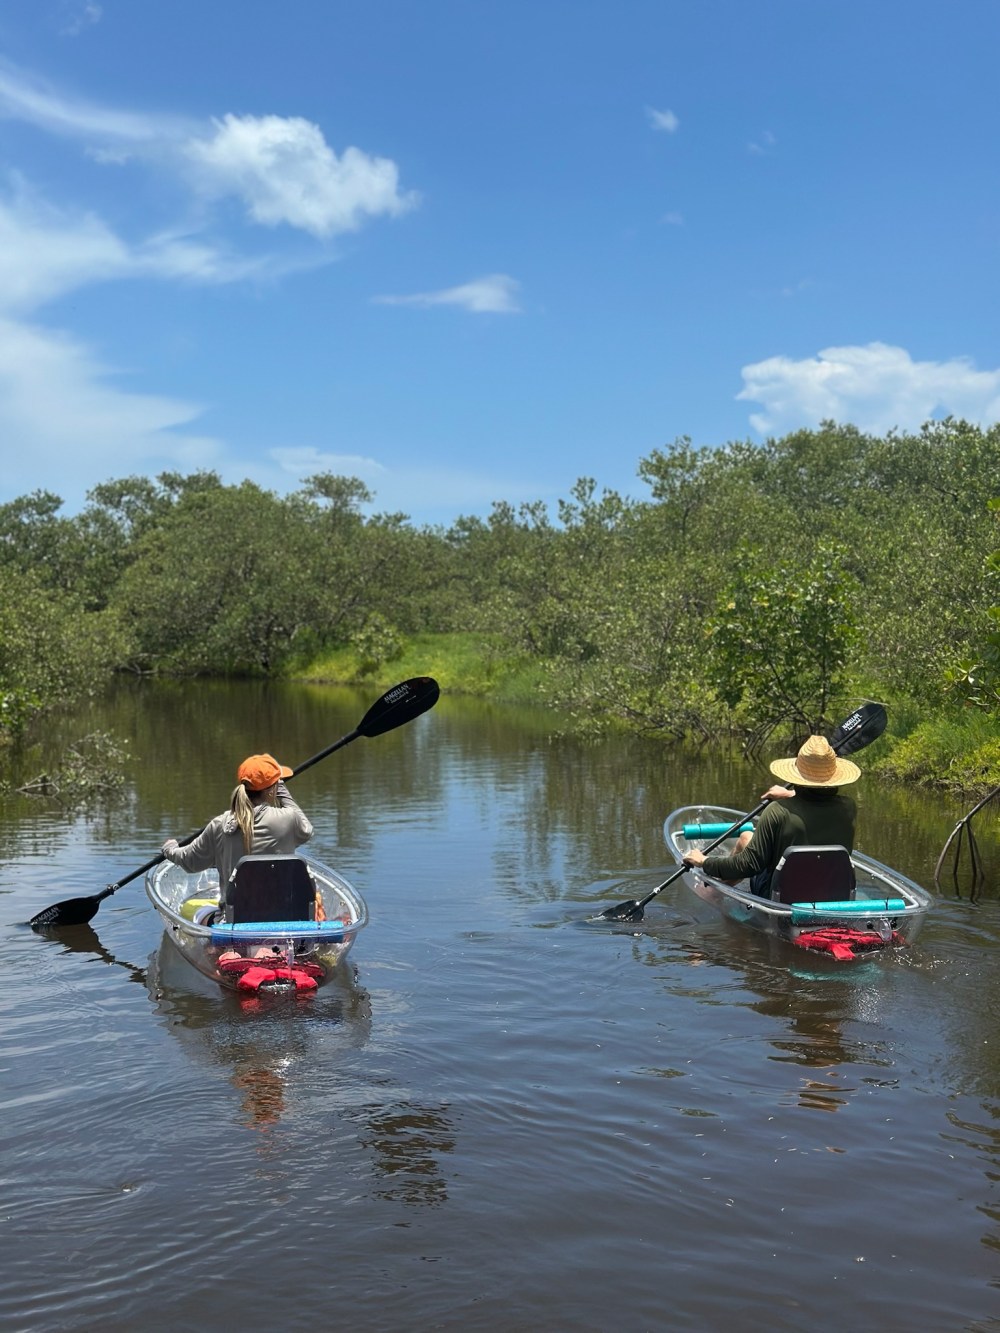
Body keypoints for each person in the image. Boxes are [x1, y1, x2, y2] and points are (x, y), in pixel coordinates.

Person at [682, 734, 860, 897]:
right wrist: (789, 794)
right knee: (747, 837)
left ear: (798, 776)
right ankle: (715, 892)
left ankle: (713, 894)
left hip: (781, 897)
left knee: (745, 838)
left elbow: (748, 864)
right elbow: (818, 802)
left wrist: (704, 861)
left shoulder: (777, 811)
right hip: (833, 895)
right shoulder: (848, 808)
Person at [161, 753, 313, 917]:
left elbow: (190, 862)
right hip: (284, 915)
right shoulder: (288, 818)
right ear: (272, 789)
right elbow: (307, 831)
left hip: (237, 920)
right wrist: (280, 790)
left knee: (199, 913)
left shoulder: (219, 825)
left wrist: (170, 849)